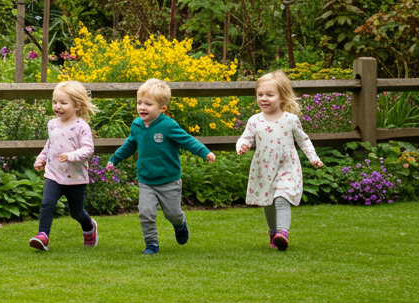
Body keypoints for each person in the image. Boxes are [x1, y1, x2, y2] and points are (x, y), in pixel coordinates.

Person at [107, 78, 216, 255]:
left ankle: (180, 224)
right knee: (146, 213)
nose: (142, 107)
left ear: (162, 108)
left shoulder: (168, 126)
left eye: (148, 104)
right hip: (146, 180)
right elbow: (129, 145)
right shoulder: (137, 125)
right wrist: (114, 159)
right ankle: (151, 244)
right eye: (139, 103)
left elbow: (187, 141)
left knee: (172, 214)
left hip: (169, 180)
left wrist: (205, 153)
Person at [236, 70, 324, 251]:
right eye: (260, 94)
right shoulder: (255, 120)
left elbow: (303, 140)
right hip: (264, 168)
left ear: (282, 97)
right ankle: (273, 233)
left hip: (287, 167)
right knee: (268, 202)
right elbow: (246, 137)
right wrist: (242, 146)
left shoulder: (290, 120)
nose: (264, 98)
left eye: (270, 95)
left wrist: (313, 157)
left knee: (282, 197)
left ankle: (283, 233)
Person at [29, 81, 98, 251]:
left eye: (63, 103)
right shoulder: (52, 124)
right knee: (47, 204)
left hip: (75, 178)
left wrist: (70, 156)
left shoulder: (81, 127)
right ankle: (42, 236)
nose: (57, 106)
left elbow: (88, 149)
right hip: (53, 174)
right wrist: (41, 158)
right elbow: (50, 143)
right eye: (54, 102)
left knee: (76, 212)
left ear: (76, 105)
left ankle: (89, 227)